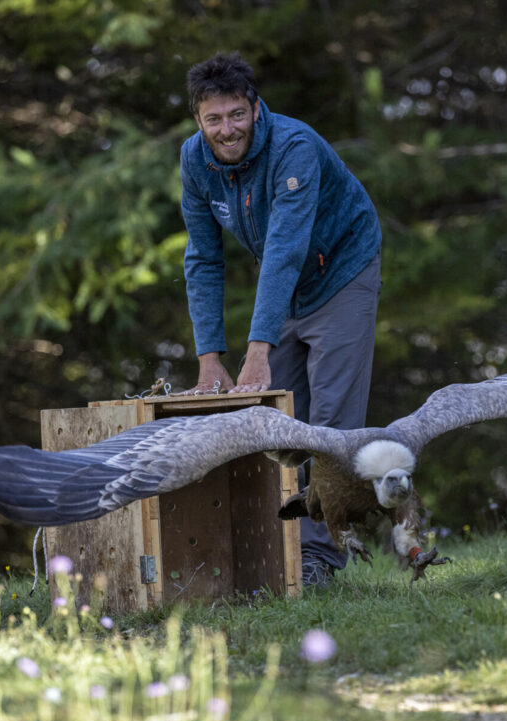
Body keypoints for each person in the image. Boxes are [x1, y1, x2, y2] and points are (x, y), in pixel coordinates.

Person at [179, 52, 383, 588]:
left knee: (332, 423)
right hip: (286, 286)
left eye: (236, 115)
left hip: (341, 271)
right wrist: (209, 360)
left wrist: (257, 350)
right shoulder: (195, 162)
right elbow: (202, 258)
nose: (228, 130)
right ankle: (281, 557)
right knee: (282, 427)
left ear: (255, 107)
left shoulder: (293, 146)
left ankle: (320, 561)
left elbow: (286, 249)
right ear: (198, 121)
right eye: (214, 119)